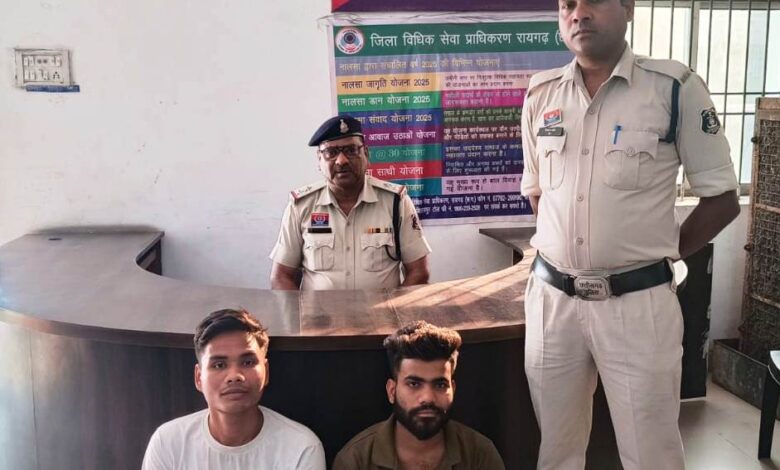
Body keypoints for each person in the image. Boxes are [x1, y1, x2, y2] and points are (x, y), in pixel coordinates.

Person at [520, 0, 741, 468]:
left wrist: (660, 257)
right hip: (552, 304)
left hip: (637, 306)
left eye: (593, 2)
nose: (578, 14)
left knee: (650, 453)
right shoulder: (540, 94)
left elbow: (722, 199)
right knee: (556, 451)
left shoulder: (674, 88)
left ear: (628, 8)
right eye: (566, 5)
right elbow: (538, 193)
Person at [141, 308, 325, 470]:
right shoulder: (168, 443)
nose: (235, 376)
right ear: (198, 378)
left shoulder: (301, 447)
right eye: (219, 365)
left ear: (266, 372)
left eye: (248, 362)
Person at [270, 115, 432, 290]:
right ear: (319, 160)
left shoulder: (396, 203)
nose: (342, 161)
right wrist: (299, 309)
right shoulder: (301, 206)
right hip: (319, 309)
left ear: (366, 154)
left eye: (351, 150)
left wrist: (394, 307)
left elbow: (418, 272)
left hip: (381, 309)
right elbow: (281, 276)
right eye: (331, 153)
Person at [333, 321, 505, 470]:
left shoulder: (480, 454)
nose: (428, 398)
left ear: (453, 389)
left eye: (440, 385)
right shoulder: (356, 460)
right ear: (392, 391)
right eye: (414, 384)